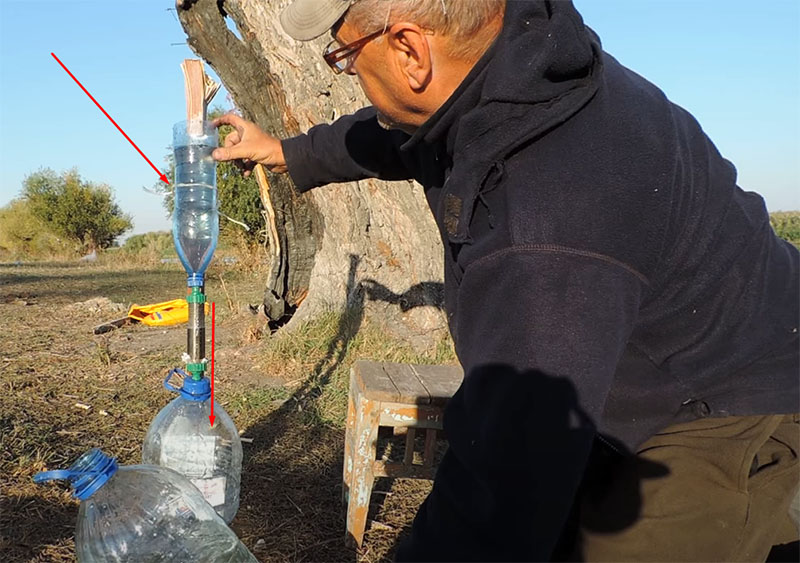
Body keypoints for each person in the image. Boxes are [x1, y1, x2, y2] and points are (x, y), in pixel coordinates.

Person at [212, 0, 800, 560]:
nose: (350, 74)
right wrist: (287, 152)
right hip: (642, 364)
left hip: (738, 403)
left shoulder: (544, 222)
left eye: (344, 57)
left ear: (411, 52)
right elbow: (392, 132)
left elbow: (502, 486)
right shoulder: (513, 65)